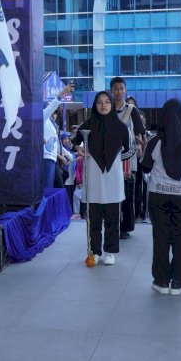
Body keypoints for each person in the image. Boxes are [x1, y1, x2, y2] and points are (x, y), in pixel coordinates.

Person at [141, 98, 181, 295]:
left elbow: (145, 166)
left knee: (160, 237)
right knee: (180, 238)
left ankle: (161, 281)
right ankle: (178, 282)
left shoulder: (154, 141)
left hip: (158, 195)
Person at [71, 91, 130, 265]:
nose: (103, 105)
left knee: (112, 216)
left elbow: (130, 149)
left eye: (106, 102)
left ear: (112, 105)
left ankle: (110, 251)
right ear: (95, 105)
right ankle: (94, 251)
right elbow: (74, 141)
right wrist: (78, 148)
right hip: (93, 176)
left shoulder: (121, 127)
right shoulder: (87, 124)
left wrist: (117, 158)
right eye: (99, 102)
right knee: (93, 216)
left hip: (113, 175)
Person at [110, 77, 146, 238]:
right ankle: (111, 224)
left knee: (127, 192)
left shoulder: (132, 110)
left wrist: (139, 145)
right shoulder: (106, 108)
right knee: (110, 192)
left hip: (127, 158)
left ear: (125, 90)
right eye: (116, 88)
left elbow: (141, 133)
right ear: (111, 90)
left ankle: (125, 227)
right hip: (109, 157)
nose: (118, 91)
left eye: (121, 88)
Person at [43, 84, 74, 189]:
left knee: (51, 187)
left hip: (51, 158)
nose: (54, 113)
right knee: (46, 188)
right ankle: (43, 206)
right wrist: (63, 93)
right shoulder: (42, 116)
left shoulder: (51, 123)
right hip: (45, 157)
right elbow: (52, 106)